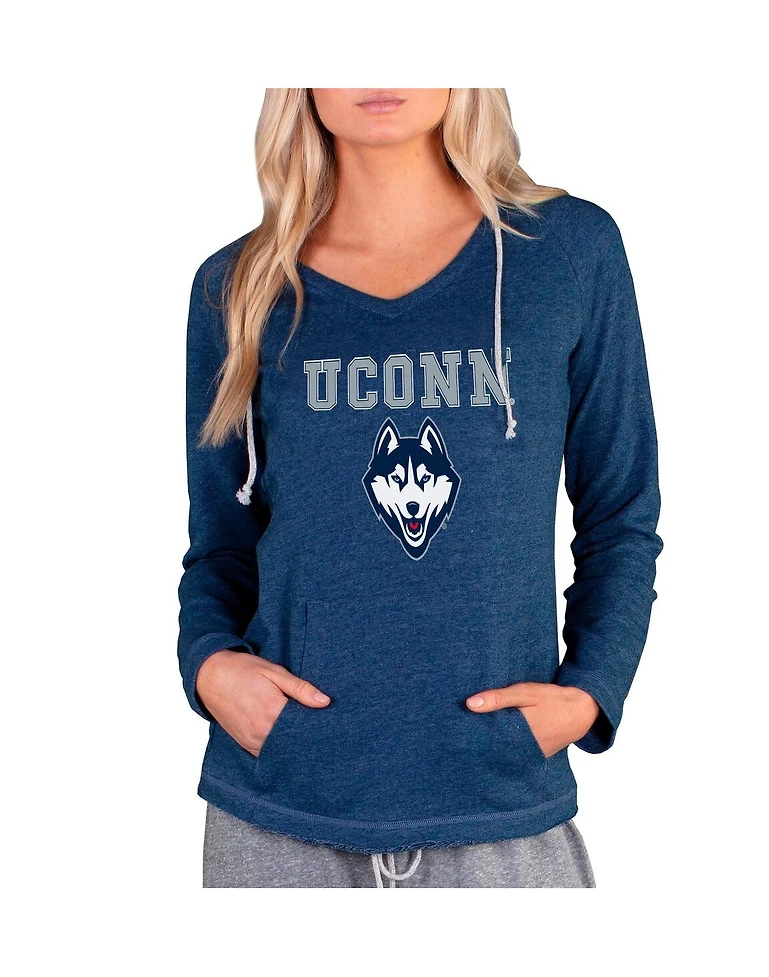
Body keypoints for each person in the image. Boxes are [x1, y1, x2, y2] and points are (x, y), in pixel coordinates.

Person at [177, 88, 664, 888]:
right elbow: (220, 543)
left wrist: (590, 691)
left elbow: (620, 515)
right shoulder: (236, 287)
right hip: (280, 808)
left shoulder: (567, 254)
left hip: (501, 803)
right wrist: (209, 666)